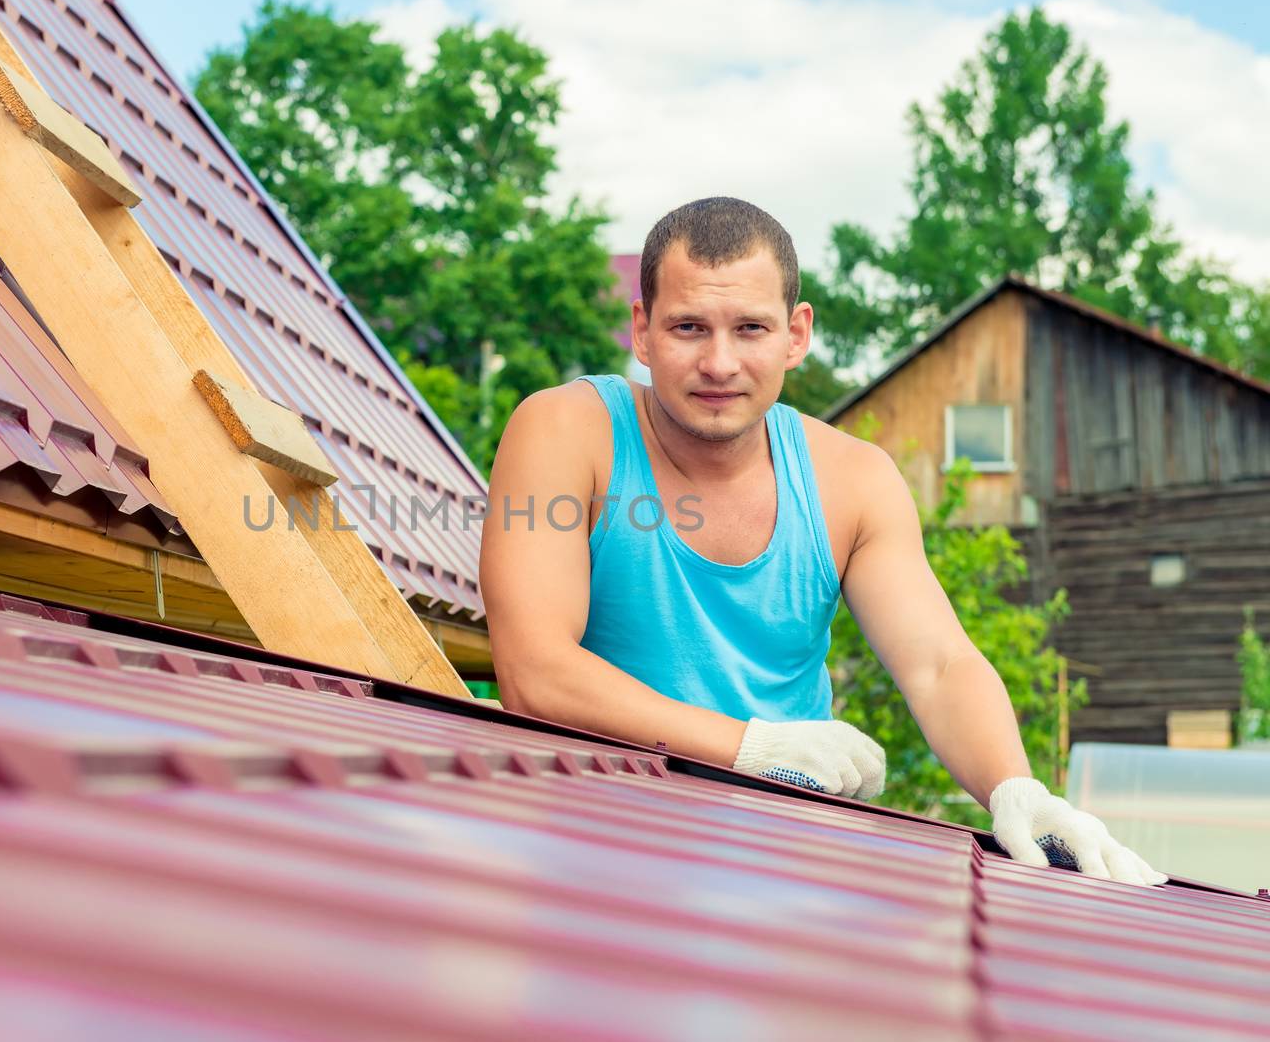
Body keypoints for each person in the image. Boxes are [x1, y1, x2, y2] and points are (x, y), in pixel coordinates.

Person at [479, 196, 1165, 886]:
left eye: (751, 328)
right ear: (642, 331)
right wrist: (750, 747)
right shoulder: (566, 432)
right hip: (597, 840)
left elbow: (939, 665)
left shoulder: (853, 481)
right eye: (688, 327)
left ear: (795, 334)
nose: (719, 363)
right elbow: (535, 673)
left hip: (787, 859)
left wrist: (1017, 789)